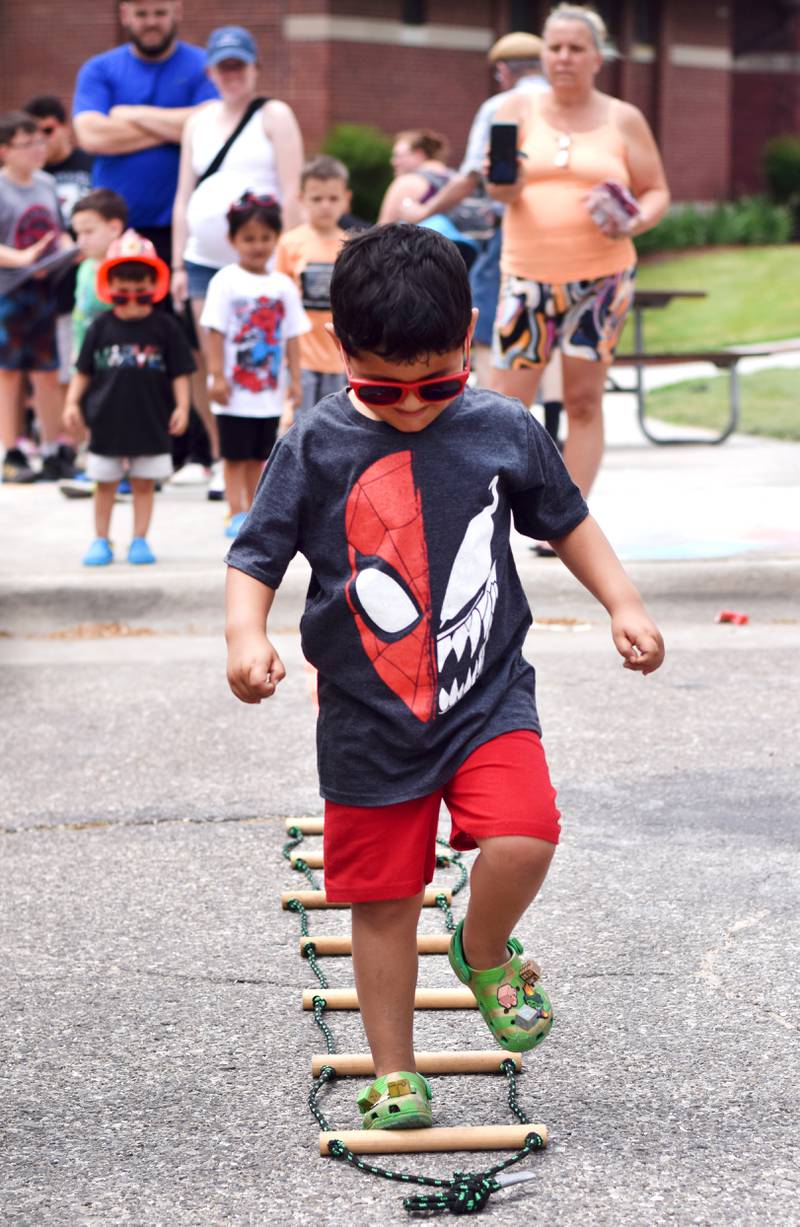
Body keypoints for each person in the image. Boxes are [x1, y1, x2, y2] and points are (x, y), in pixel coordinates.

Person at [224, 223, 665, 1131]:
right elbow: (256, 555)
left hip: (489, 693)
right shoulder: (314, 444)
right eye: (386, 385)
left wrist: (625, 602)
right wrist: (244, 637)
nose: (416, 404)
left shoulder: (502, 424)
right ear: (343, 349)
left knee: (526, 833)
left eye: (439, 380)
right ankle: (395, 1070)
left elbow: (568, 520)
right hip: (366, 713)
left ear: (469, 332)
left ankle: (485, 947)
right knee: (381, 897)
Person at [487, 4, 670, 498]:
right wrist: (506, 183)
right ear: (543, 55)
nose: (563, 58)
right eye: (555, 48)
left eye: (575, 48)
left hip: (602, 280)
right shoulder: (515, 110)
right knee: (507, 405)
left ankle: (566, 519)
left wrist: (635, 220)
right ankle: (496, 510)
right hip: (526, 277)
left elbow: (656, 190)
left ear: (597, 57)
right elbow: (499, 192)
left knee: (583, 400)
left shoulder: (623, 117)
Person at [72, 1, 219, 487]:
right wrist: (174, 126)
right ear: (124, 14)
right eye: (140, 12)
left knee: (184, 342)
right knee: (119, 341)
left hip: (179, 230)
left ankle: (197, 451)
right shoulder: (100, 68)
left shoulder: (202, 65)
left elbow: (208, 125)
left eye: (159, 10)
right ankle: (120, 453)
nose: (150, 20)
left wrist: (131, 115)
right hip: (119, 233)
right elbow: (91, 134)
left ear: (176, 10)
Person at [171, 25, 304, 492]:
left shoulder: (274, 114)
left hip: (263, 260)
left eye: (239, 66)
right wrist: (178, 264)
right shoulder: (198, 121)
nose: (231, 75)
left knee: (263, 355)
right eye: (223, 67)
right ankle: (219, 455)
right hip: (205, 259)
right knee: (210, 356)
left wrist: (283, 257)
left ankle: (265, 459)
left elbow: (291, 190)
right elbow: (184, 196)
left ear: (254, 68)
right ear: (210, 71)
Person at [403, 33, 550, 390]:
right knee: (551, 327)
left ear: (503, 70)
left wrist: (424, 211)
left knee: (481, 309)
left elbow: (470, 177)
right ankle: (555, 417)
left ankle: (486, 398)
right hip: (567, 234)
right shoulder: (564, 104)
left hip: (517, 229)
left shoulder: (501, 106)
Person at [63, 231, 194, 566]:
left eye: (141, 292)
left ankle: (139, 539)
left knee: (143, 484)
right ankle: (100, 539)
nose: (133, 299)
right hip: (106, 419)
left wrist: (181, 406)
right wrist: (71, 403)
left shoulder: (165, 327)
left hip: (151, 419)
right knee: (104, 484)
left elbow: (180, 371)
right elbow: (83, 370)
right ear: (109, 287)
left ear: (154, 286)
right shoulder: (100, 327)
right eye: (123, 293)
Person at [200, 194, 309, 539]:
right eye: (248, 238)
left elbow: (292, 335)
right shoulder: (225, 280)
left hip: (268, 391)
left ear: (276, 238)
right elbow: (214, 331)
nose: (257, 245)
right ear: (232, 240)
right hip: (233, 389)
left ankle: (253, 509)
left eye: (264, 237)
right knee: (234, 455)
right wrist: (217, 374)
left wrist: (294, 378)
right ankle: (235, 510)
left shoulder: (282, 285)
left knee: (259, 455)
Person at [0, 111, 74, 484]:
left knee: (47, 373)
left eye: (39, 142)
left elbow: (57, 232)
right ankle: (11, 451)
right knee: (10, 374)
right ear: (5, 151)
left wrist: (69, 249)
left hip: (44, 290)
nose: (36, 150)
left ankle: (52, 449)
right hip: (8, 291)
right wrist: (23, 259)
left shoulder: (46, 184)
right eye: (27, 144)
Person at [24, 95, 94, 470]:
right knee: (53, 371)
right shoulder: (34, 177)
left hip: (82, 283)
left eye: (48, 131)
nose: (43, 141)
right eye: (34, 135)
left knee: (78, 365)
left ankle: (81, 445)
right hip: (43, 287)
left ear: (64, 126)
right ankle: (57, 442)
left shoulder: (88, 164)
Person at [274, 155, 350, 414]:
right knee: (300, 423)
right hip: (300, 357)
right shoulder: (289, 243)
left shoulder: (350, 246)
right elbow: (278, 298)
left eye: (333, 198)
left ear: (346, 199)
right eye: (317, 199)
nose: (325, 206)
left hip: (338, 357)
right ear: (302, 199)